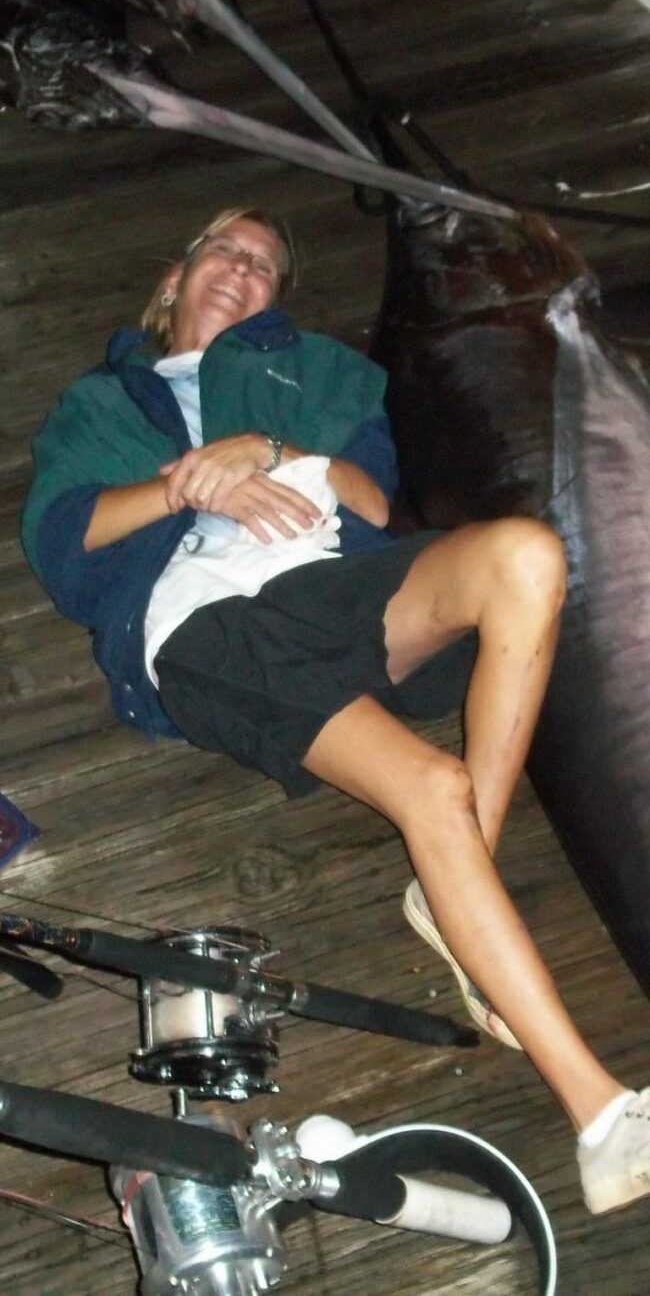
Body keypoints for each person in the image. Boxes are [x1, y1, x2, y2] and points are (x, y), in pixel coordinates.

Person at [22, 206, 650, 1217]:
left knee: (526, 556)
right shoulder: (102, 401)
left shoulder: (320, 371)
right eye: (224, 250)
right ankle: (599, 1118)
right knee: (431, 788)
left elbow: (371, 499)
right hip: (209, 625)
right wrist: (191, 487)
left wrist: (267, 449)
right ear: (175, 278)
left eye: (265, 265)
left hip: (335, 587)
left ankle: (456, 881)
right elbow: (65, 546)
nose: (242, 268)